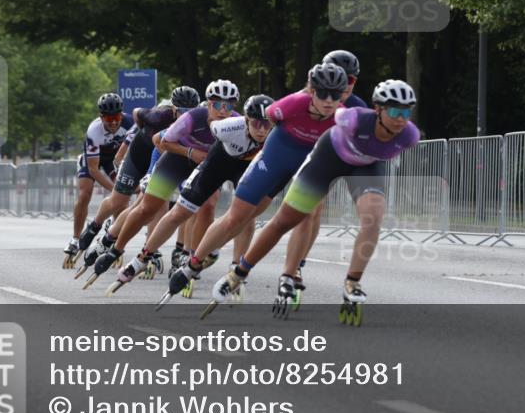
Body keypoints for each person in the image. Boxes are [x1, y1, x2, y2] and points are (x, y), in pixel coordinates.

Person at [207, 80, 419, 325]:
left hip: (367, 165)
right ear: (378, 109)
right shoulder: (352, 119)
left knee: (373, 218)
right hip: (329, 158)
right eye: (394, 111)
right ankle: (239, 273)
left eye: (406, 112)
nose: (401, 119)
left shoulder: (410, 135)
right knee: (285, 221)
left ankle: (352, 282)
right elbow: (325, 116)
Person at [174, 63, 348, 291]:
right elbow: (267, 118)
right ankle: (192, 264)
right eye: (323, 93)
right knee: (236, 217)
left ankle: (287, 272)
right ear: (311, 91)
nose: (329, 101)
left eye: (335, 95)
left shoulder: (344, 116)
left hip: (301, 169)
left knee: (305, 214)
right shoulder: (293, 103)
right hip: (271, 163)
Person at [109, 94, 274, 300]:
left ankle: (234, 267)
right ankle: (142, 258)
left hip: (243, 166)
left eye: (267, 125)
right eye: (257, 124)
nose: (262, 130)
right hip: (215, 164)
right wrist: (189, 152)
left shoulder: (274, 135)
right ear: (247, 120)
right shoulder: (226, 127)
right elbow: (163, 138)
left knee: (247, 213)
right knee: (180, 212)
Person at [81, 80, 240, 288]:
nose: (223, 111)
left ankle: (188, 256)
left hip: (205, 164)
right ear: (208, 104)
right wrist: (184, 155)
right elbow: (159, 141)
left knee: (206, 206)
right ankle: (115, 248)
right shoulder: (189, 118)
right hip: (172, 155)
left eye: (229, 106)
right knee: (147, 207)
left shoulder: (238, 123)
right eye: (217, 105)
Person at [67, 86, 199, 267]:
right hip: (136, 156)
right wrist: (120, 174)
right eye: (182, 111)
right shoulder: (158, 116)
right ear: (173, 109)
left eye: (190, 112)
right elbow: (137, 116)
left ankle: (149, 248)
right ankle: (94, 227)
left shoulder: (196, 121)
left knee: (156, 203)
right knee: (118, 200)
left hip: (161, 157)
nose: (186, 116)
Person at [288, 50, 366, 292]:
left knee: (313, 211)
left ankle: (297, 265)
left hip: (324, 161)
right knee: (303, 211)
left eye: (351, 80)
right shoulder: (303, 98)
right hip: (298, 153)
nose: (346, 85)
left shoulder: (356, 106)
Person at [63, 94, 133, 263]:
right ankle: (75, 238)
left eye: (117, 117)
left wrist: (119, 190)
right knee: (84, 194)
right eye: (109, 118)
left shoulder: (130, 123)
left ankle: (113, 236)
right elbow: (94, 170)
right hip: (93, 161)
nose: (114, 122)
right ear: (101, 117)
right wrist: (115, 190)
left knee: (121, 200)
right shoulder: (94, 130)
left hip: (113, 160)